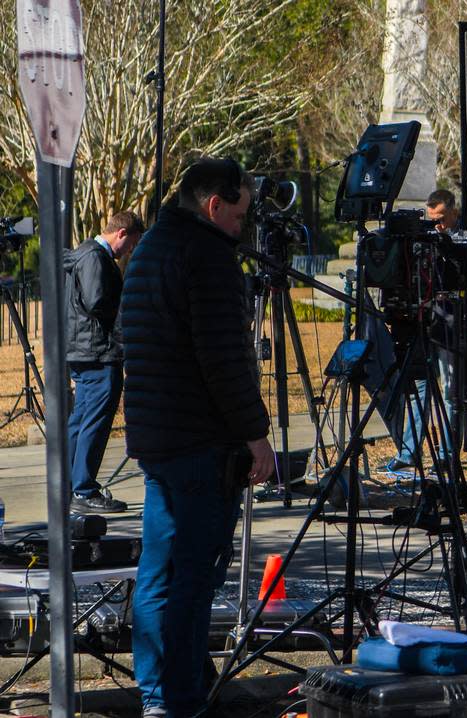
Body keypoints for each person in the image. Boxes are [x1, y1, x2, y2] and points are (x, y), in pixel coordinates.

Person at [121, 158, 275, 718]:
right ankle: (175, 697)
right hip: (197, 440)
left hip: (162, 435)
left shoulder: (153, 247)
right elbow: (225, 361)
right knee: (185, 580)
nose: (242, 228)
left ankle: (163, 691)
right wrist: (256, 434)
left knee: (162, 574)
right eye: (239, 215)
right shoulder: (206, 255)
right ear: (214, 205)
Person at [63, 211, 144, 513]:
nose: (130, 252)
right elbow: (98, 301)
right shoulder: (96, 258)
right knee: (94, 422)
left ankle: (70, 485)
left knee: (81, 420)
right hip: (98, 350)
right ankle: (83, 488)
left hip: (82, 350)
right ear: (121, 233)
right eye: (131, 244)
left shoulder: (82, 254)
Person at [387, 188, 463, 472]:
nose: (436, 226)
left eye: (441, 219)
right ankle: (409, 452)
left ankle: (446, 455)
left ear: (454, 213)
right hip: (423, 321)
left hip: (449, 326)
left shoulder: (461, 239)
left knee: (449, 390)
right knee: (420, 388)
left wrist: (447, 246)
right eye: (431, 219)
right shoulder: (422, 241)